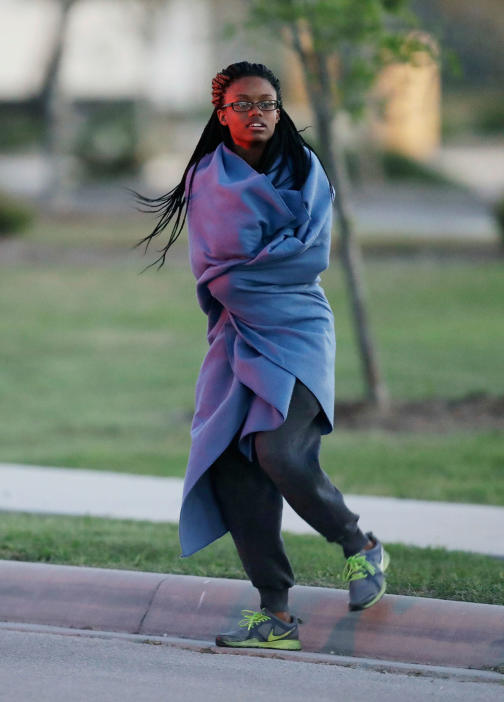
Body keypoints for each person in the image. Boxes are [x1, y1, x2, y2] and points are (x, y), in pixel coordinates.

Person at [138, 61, 388, 651]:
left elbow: (309, 257)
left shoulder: (305, 168)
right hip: (235, 336)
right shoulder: (206, 177)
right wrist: (258, 269)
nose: (258, 114)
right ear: (220, 112)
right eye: (244, 103)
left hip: (297, 329)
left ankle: (358, 543)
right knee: (232, 466)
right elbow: (218, 270)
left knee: (280, 449)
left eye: (268, 104)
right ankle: (276, 615)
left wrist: (252, 272)